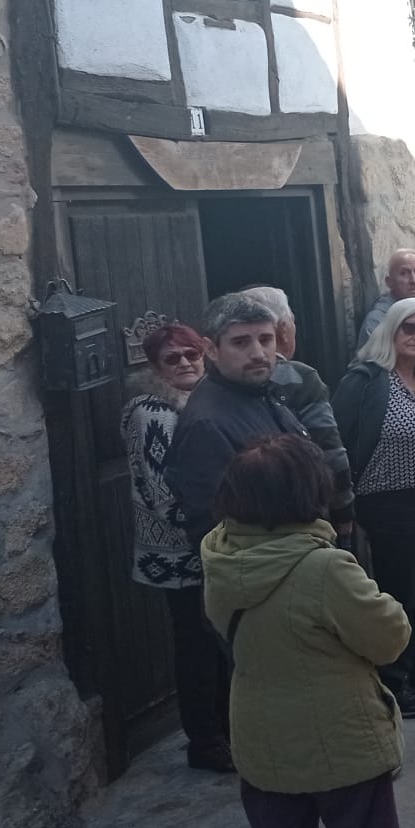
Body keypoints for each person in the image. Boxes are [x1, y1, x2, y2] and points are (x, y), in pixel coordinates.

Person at [201, 434, 412, 828]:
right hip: (340, 739)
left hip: (260, 734)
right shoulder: (323, 568)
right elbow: (390, 638)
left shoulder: (220, 557)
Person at [333, 298, 415, 721]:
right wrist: (343, 501)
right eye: (409, 328)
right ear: (390, 330)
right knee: (397, 593)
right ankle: (393, 679)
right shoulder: (366, 381)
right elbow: (337, 442)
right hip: (387, 501)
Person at [122, 320, 234, 773]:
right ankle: (206, 743)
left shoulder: (193, 404)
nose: (186, 363)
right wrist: (206, 532)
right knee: (197, 647)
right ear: (155, 368)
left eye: (193, 355)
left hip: (203, 544)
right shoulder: (152, 414)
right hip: (180, 553)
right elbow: (161, 491)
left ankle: (223, 731)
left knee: (215, 643)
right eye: (173, 359)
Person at [170, 294, 321, 554]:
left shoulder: (259, 390)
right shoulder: (206, 424)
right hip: (267, 574)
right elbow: (216, 530)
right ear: (212, 349)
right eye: (240, 342)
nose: (258, 353)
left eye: (265, 339)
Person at [243, 286, 355, 550]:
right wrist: (345, 510)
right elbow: (330, 448)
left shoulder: (223, 381)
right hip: (307, 508)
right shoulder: (300, 377)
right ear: (283, 329)